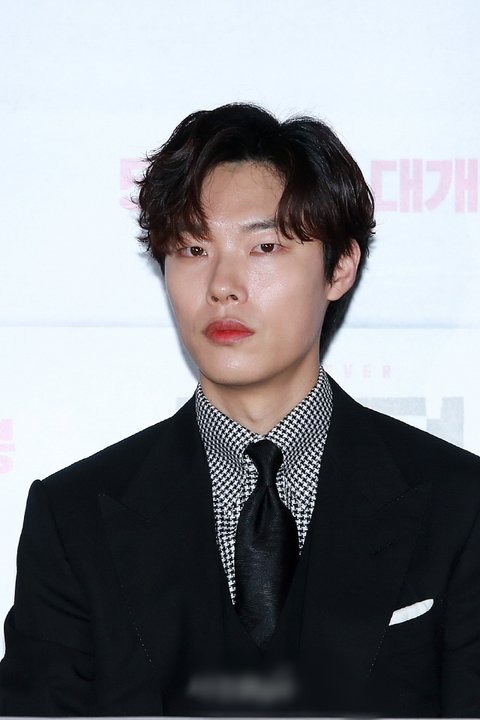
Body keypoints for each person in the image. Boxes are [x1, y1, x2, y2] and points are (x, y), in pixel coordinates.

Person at [1, 103, 480, 717]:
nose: (223, 285)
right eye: (192, 248)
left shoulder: (459, 506)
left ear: (339, 267)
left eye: (264, 246)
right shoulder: (73, 519)